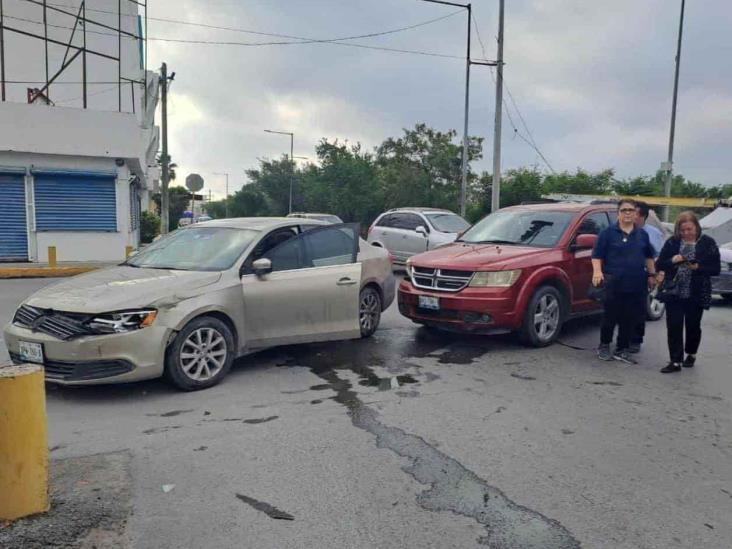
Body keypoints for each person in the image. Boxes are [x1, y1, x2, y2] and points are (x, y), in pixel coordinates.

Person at [592, 199, 657, 364]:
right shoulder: (607, 233)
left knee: (629, 318)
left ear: (636, 213)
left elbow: (649, 256)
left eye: (631, 210)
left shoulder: (642, 234)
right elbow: (597, 255)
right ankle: (604, 345)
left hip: (636, 284)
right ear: (618, 213)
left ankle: (622, 348)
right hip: (613, 282)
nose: (627, 213)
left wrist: (652, 275)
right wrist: (597, 271)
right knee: (610, 316)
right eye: (624, 210)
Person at [655, 211, 721, 373]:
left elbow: (716, 269)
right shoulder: (673, 242)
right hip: (674, 290)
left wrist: (698, 267)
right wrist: (672, 261)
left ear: (696, 228)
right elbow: (660, 264)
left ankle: (691, 353)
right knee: (674, 326)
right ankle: (675, 361)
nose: (686, 233)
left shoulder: (708, 243)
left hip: (696, 292)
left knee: (693, 326)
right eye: (682, 230)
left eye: (689, 229)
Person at [626, 201, 666, 353]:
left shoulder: (652, 233)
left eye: (633, 212)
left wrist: (654, 275)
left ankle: (635, 340)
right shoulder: (622, 230)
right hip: (623, 275)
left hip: (642, 275)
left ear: (642, 216)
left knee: (638, 310)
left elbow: (658, 256)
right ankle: (622, 340)